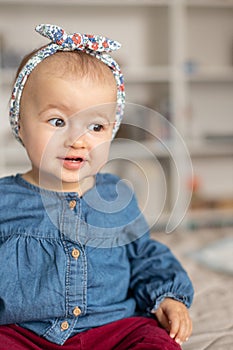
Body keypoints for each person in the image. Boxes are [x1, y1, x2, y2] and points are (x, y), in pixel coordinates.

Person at [0, 24, 194, 349]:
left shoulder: (116, 197)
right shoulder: (5, 200)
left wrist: (167, 298)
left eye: (96, 126)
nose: (77, 140)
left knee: (154, 341)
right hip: (24, 333)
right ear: (19, 121)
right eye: (57, 121)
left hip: (113, 327)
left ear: (112, 131)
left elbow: (146, 258)